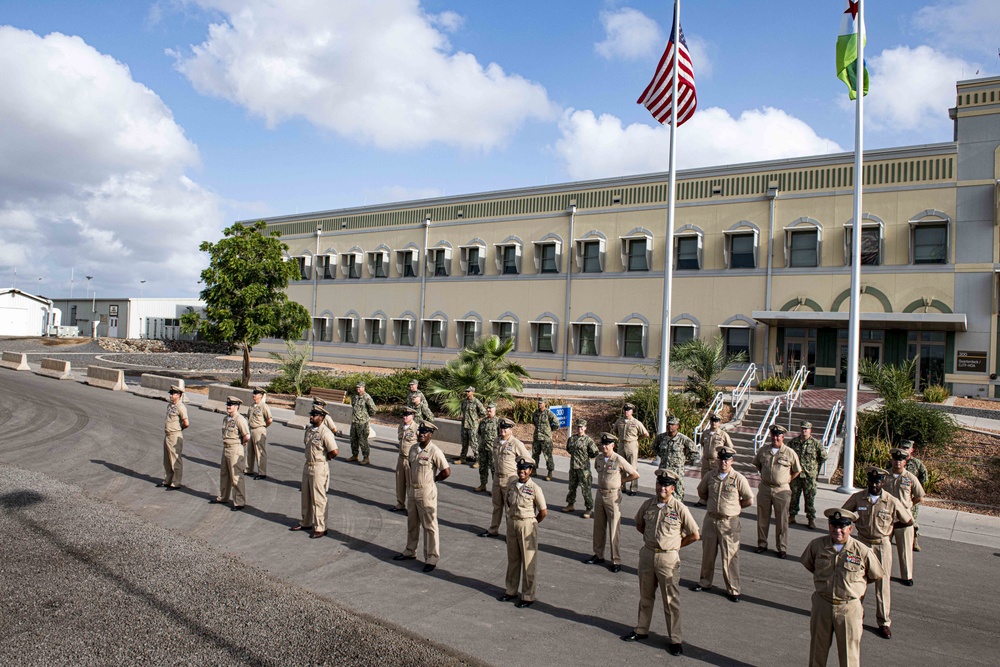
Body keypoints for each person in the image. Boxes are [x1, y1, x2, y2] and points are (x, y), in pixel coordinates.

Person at [621, 470, 699, 656]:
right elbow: (640, 525)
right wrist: (652, 542)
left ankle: (675, 639)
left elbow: (695, 534)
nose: (662, 488)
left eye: (666, 485)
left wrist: (675, 545)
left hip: (668, 559)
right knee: (645, 596)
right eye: (659, 484)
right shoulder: (648, 505)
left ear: (673, 488)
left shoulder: (679, 508)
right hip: (648, 555)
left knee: (671, 601)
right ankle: (641, 629)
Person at [800, 508, 885, 667]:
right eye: (834, 526)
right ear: (829, 526)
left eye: (842, 527)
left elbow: (875, 575)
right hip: (822, 604)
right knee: (818, 650)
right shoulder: (817, 545)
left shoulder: (862, 551)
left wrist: (852, 589)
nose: (837, 530)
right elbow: (810, 564)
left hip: (848, 608)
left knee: (849, 655)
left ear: (850, 529)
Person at [842, 466, 913, 639]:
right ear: (867, 481)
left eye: (878, 482)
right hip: (862, 544)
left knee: (882, 584)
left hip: (882, 545)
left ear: (883, 482)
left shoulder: (891, 500)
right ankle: (855, 616)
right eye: (871, 481)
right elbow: (844, 514)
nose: (874, 485)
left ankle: (884, 622)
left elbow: (907, 520)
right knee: (857, 581)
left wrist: (889, 531)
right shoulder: (858, 498)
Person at [692, 446, 754, 601]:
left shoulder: (738, 478)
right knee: (708, 554)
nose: (723, 462)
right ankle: (705, 582)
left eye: (726, 459)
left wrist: (734, 508)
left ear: (732, 461)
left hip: (729, 523)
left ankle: (733, 589)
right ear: (717, 460)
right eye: (721, 459)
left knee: (730, 557)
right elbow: (702, 492)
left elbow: (748, 500)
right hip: (711, 520)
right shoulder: (710, 476)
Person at [394, 422, 451, 572]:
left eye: (425, 432)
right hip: (413, 491)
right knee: (412, 523)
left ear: (431, 434)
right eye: (420, 431)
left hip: (427, 493)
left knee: (429, 526)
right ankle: (410, 550)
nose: (421, 434)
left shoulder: (434, 451)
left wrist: (434, 480)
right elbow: (412, 467)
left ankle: (431, 557)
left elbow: (446, 471)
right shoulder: (413, 449)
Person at [585, 433, 639, 572]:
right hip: (600, 494)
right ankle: (598, 554)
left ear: (613, 445)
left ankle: (616, 560)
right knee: (598, 526)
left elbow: (634, 474)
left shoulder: (618, 459)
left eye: (607, 444)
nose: (604, 447)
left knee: (614, 528)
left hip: (612, 496)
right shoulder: (600, 458)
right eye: (602, 444)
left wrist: (622, 481)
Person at [497, 458, 547, 608]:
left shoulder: (535, 488)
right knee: (513, 560)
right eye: (520, 468)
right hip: (512, 524)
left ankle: (527, 595)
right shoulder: (512, 486)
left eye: (525, 468)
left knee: (528, 563)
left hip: (527, 526)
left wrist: (532, 523)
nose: (522, 471)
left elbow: (543, 511)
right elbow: (508, 503)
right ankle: (511, 590)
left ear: (530, 471)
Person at [753, 423, 802, 558]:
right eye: (773, 435)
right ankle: (762, 543)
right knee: (762, 517)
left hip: (782, 490)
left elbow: (797, 470)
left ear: (783, 437)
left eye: (778, 436)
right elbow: (757, 464)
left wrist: (786, 480)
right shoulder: (763, 450)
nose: (775, 438)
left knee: (782, 520)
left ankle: (782, 547)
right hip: (765, 488)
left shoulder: (789, 453)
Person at [290, 406, 338, 538]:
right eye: (311, 414)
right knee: (306, 496)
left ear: (322, 417)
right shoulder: (310, 430)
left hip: (319, 467)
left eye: (315, 415)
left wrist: (327, 457)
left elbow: (334, 451)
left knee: (319, 499)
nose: (311, 417)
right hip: (308, 465)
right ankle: (305, 522)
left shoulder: (325, 432)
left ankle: (321, 527)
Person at [480, 418, 532, 538]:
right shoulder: (496, 441)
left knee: (510, 509)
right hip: (497, 478)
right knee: (497, 506)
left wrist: (522, 473)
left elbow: (529, 460)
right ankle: (493, 529)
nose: (503, 430)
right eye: (502, 427)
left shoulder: (516, 444)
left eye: (506, 428)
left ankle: (511, 535)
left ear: (511, 429)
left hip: (510, 479)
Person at [885, 448, 925, 586]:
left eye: (901, 460)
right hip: (887, 518)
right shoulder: (884, 476)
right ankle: (881, 572)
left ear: (905, 461)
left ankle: (906, 576)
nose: (898, 462)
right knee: (883, 547)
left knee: (905, 550)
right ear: (892, 460)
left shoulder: (910, 478)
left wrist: (908, 504)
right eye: (896, 459)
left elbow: (920, 496)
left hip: (903, 519)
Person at [213, 397, 250, 510]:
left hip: (235, 449)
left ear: (237, 406)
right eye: (228, 404)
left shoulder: (240, 419)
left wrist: (241, 444)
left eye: (231, 405)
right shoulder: (226, 419)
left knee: (235, 476)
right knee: (224, 474)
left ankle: (239, 502)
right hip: (226, 448)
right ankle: (223, 497)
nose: (229, 407)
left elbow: (247, 436)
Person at [788, 420, 827, 529]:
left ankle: (811, 519)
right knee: (794, 496)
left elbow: (823, 456)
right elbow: (787, 454)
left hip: (809, 476)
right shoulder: (793, 442)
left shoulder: (815, 443)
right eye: (802, 428)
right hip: (796, 475)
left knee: (809, 498)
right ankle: (792, 516)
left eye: (806, 429)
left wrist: (813, 467)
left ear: (810, 430)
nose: (804, 431)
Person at [652, 416, 697, 500]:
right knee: (661, 491)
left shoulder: (683, 439)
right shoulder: (661, 437)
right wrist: (662, 455)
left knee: (678, 493)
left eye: (673, 425)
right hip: (664, 469)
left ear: (677, 426)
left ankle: (677, 510)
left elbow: (694, 451)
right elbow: (654, 447)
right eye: (669, 424)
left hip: (677, 470)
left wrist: (684, 460)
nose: (670, 426)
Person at [562, 418, 599, 518]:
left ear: (585, 428)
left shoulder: (588, 440)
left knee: (585, 489)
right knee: (572, 487)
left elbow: (595, 452)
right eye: (578, 427)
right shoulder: (572, 439)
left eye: (581, 427)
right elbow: (569, 449)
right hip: (573, 467)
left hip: (583, 469)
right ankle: (570, 505)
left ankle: (589, 508)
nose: (579, 429)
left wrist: (585, 458)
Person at [614, 403, 650, 495]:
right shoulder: (619, 421)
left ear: (632, 411)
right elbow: (615, 431)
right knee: (620, 466)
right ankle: (622, 486)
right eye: (625, 410)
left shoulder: (636, 422)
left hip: (632, 445)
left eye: (629, 410)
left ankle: (633, 488)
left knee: (632, 467)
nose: (626, 412)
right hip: (622, 445)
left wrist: (637, 439)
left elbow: (646, 434)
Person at [900, 440, 928, 552]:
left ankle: (914, 539)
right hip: (897, 494)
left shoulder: (917, 463)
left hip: (910, 496)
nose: (904, 450)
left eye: (907, 448)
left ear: (912, 450)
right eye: (903, 447)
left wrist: (917, 490)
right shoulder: (895, 461)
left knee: (912, 518)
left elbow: (924, 477)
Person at [159, 385, 189, 490]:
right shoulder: (170, 406)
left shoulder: (181, 407)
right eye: (170, 393)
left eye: (173, 394)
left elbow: (186, 422)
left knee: (175, 459)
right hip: (167, 434)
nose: (171, 395)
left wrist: (179, 429)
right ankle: (167, 479)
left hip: (175, 435)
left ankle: (176, 482)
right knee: (167, 460)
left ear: (179, 395)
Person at [392, 407, 419, 512]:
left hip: (410, 460)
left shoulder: (416, 428)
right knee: (399, 482)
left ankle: (411, 508)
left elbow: (421, 445)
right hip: (401, 457)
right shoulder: (401, 427)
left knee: (410, 484)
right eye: (403, 415)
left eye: (407, 415)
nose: (404, 417)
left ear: (412, 416)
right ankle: (400, 504)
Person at [245, 387, 273, 480]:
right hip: (251, 429)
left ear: (260, 395)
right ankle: (248, 469)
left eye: (256, 394)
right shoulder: (252, 406)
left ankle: (262, 472)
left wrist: (263, 427)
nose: (254, 395)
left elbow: (269, 419)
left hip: (259, 429)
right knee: (249, 450)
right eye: (253, 393)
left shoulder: (263, 406)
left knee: (260, 451)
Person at [530, 398, 560, 481]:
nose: (539, 404)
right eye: (538, 403)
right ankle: (534, 470)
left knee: (548, 456)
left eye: (541, 403)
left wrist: (549, 430)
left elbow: (557, 424)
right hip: (537, 438)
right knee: (535, 454)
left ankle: (549, 473)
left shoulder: (549, 413)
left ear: (545, 404)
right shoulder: (535, 413)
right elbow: (534, 422)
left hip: (546, 439)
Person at [348, 381, 376, 465]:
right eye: (357, 387)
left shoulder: (366, 397)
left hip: (363, 423)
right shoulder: (355, 397)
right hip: (355, 421)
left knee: (363, 440)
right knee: (353, 439)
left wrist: (366, 417)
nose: (358, 389)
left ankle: (366, 457)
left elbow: (373, 409)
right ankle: (355, 455)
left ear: (363, 388)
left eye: (359, 387)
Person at [457, 386, 486, 465]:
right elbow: (463, 411)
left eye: (468, 391)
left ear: (473, 392)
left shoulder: (476, 402)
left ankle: (478, 460)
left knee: (474, 443)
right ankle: (463, 458)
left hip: (472, 426)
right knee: (464, 443)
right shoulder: (464, 402)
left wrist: (478, 420)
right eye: (466, 391)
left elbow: (484, 413)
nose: (467, 393)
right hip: (464, 426)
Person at [474, 402, 499, 492]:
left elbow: (501, 436)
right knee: (483, 467)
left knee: (493, 469)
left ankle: (495, 488)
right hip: (483, 448)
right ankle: (483, 484)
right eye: (488, 408)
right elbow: (480, 433)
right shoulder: (483, 421)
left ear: (495, 410)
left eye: (490, 408)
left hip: (492, 449)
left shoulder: (498, 422)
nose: (488, 410)